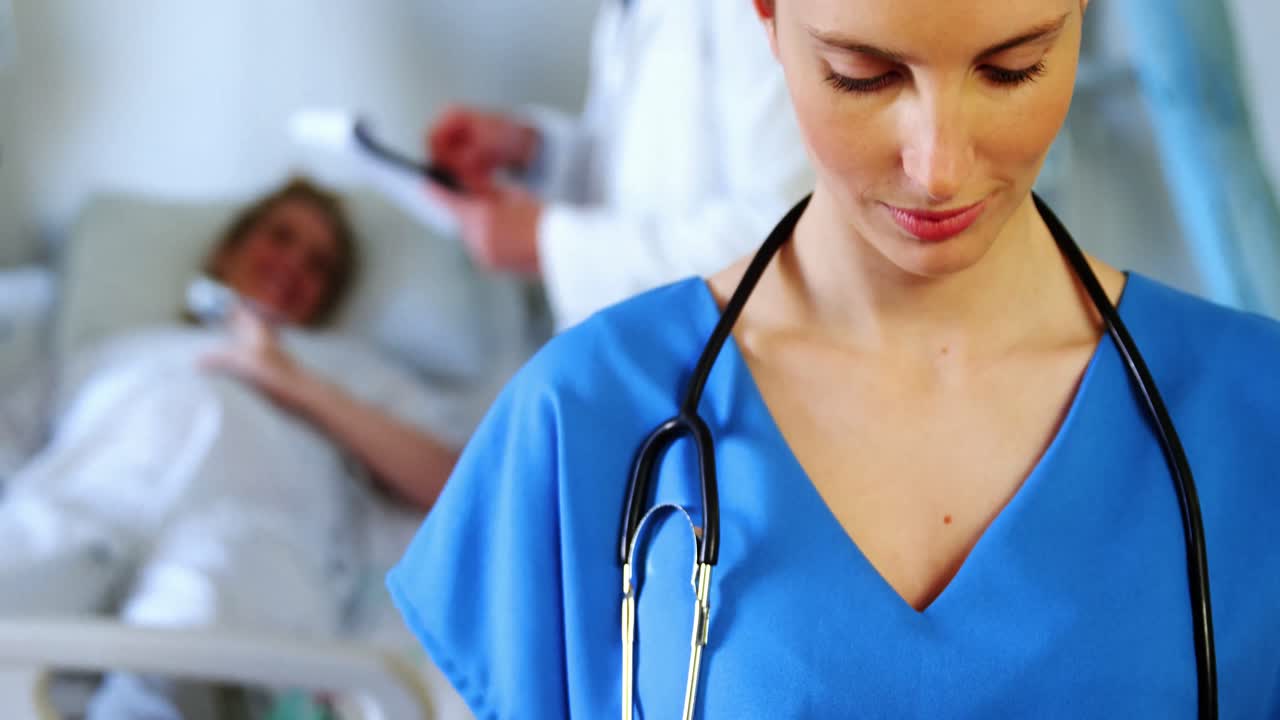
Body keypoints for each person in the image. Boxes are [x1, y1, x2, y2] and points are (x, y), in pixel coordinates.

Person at [388, 0, 1280, 717]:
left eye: (1013, 67)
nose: (938, 165)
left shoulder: (1254, 410)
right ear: (767, 19)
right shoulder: (582, 418)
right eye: (866, 74)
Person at [0, 178, 465, 719]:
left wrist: (292, 380)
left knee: (195, 634)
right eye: (280, 237)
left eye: (320, 265)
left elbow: (451, 485)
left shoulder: (348, 369)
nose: (294, 264)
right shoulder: (117, 351)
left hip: (245, 531)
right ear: (227, 250)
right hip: (82, 503)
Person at [425, 0, 814, 330]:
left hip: (726, 372)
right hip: (642, 355)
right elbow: (625, 171)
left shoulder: (745, 12)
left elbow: (782, 238)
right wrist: (530, 148)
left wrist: (546, 243)